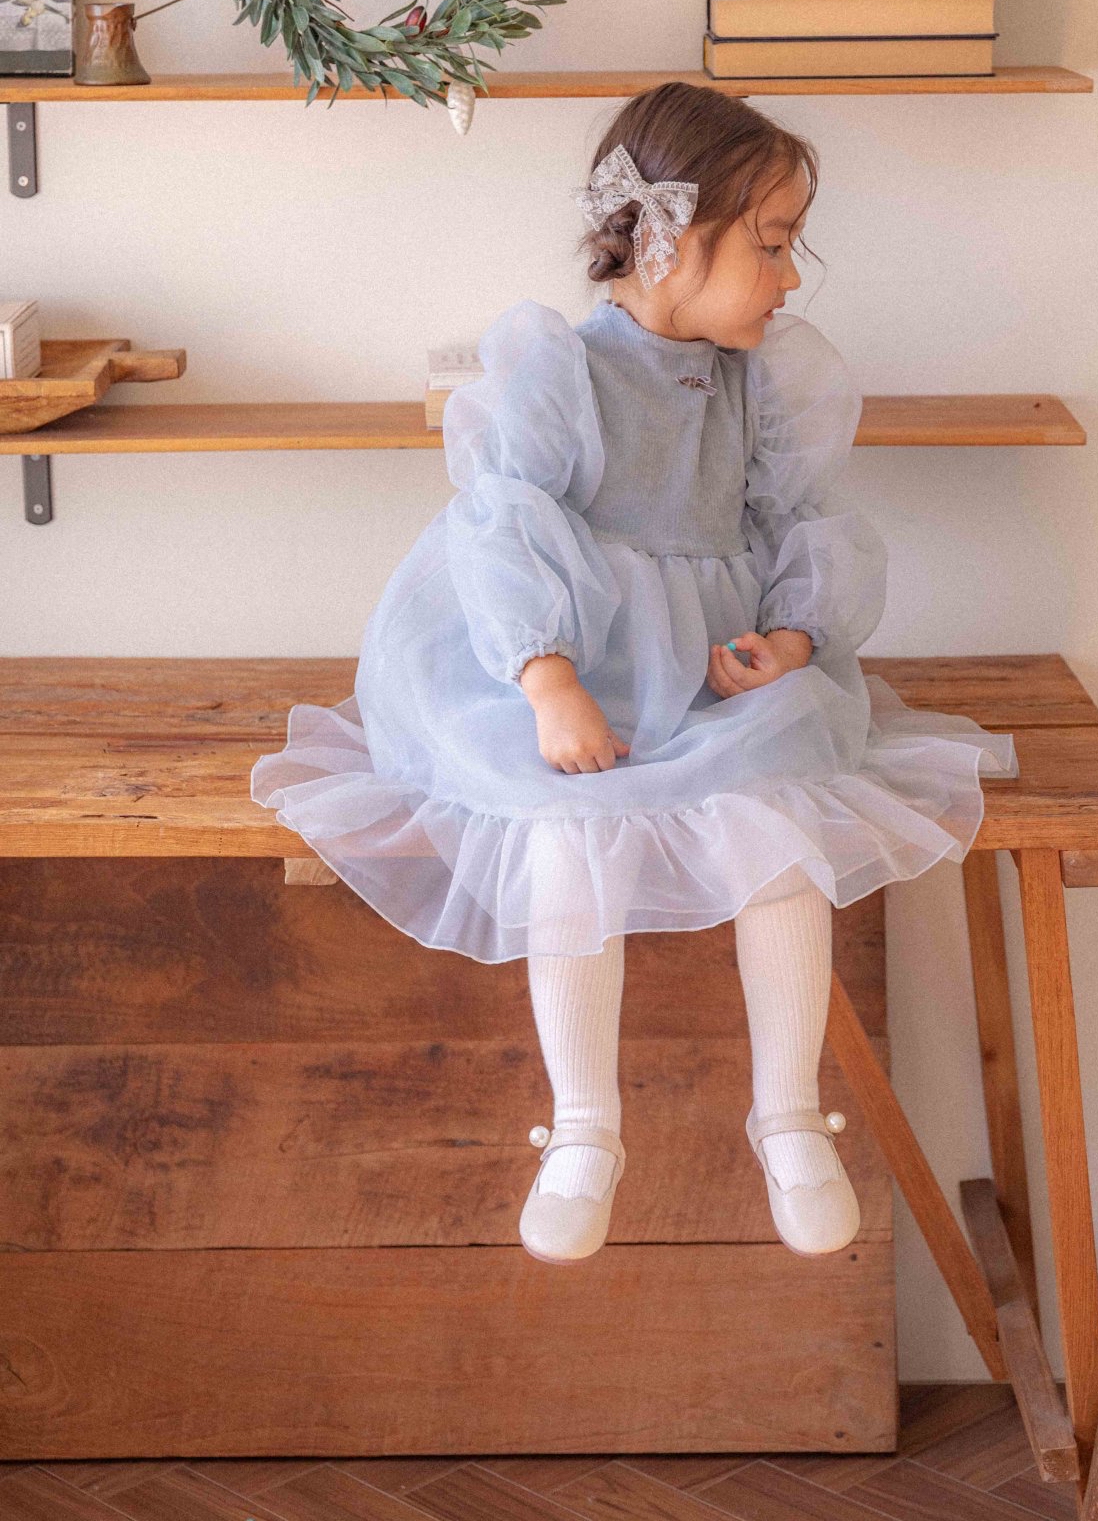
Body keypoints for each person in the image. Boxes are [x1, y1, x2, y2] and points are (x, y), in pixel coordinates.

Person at [250, 80, 1018, 1266]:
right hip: (577, 669)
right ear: (670, 237)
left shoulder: (761, 378)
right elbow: (502, 527)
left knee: (774, 824)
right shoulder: (561, 370)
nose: (789, 278)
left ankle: (786, 1114)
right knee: (564, 831)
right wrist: (547, 680)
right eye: (770, 245)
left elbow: (799, 522)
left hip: (710, 674)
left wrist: (791, 640)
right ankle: (583, 1128)